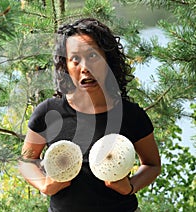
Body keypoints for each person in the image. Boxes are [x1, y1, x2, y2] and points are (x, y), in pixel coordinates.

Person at [19, 17, 161, 212]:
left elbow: (152, 164)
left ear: (107, 60)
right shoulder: (48, 112)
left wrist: (130, 187)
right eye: (75, 59)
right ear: (65, 66)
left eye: (93, 56)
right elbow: (27, 160)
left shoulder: (131, 115)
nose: (84, 67)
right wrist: (44, 184)